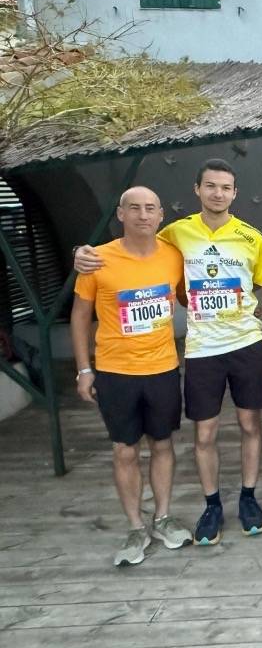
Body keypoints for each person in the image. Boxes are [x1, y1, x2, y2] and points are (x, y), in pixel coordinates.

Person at [75, 159, 262, 546]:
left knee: (251, 424)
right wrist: (82, 252)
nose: (218, 193)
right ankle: (212, 504)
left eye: (225, 187)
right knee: (205, 432)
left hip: (244, 345)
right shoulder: (174, 235)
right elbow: (132, 244)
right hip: (201, 349)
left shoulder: (252, 237)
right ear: (197, 190)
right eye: (211, 186)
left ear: (235, 193)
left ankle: (249, 498)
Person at [70, 186, 193, 566]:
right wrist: (83, 369)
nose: (143, 215)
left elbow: (191, 297)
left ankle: (163, 517)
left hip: (162, 367)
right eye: (134, 208)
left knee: (162, 444)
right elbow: (79, 317)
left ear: (160, 216)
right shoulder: (97, 260)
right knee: (124, 449)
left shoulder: (174, 256)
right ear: (120, 214)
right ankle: (135, 526)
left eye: (150, 209)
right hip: (115, 370)